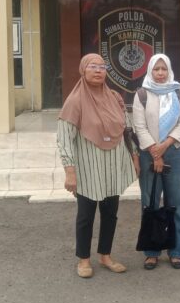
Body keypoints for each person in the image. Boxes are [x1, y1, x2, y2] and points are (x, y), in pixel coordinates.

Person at [57, 54, 138, 279]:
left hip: (113, 165)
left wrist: (134, 156)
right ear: (83, 70)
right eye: (92, 66)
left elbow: (126, 129)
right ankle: (84, 259)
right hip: (88, 168)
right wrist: (70, 171)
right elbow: (64, 138)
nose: (98, 71)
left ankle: (105, 255)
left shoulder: (114, 97)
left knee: (110, 213)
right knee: (86, 215)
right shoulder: (75, 101)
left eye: (102, 67)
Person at [132, 54, 180, 270]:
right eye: (156, 69)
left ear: (169, 70)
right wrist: (155, 153)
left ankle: (176, 251)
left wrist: (164, 146)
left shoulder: (179, 91)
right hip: (149, 153)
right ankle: (151, 252)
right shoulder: (142, 93)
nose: (160, 73)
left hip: (174, 151)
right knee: (150, 203)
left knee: (176, 204)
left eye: (163, 69)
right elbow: (139, 126)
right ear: (150, 70)